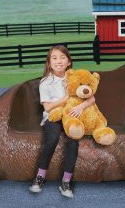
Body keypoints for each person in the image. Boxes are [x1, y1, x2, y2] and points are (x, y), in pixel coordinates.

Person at [29, 45, 95, 198]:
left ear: (69, 62)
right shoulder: (46, 82)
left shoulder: (75, 78)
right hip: (53, 116)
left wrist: (81, 106)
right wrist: (65, 98)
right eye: (54, 58)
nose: (58, 61)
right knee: (52, 138)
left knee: (73, 140)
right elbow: (47, 107)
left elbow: (91, 97)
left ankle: (66, 181)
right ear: (49, 63)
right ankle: (40, 177)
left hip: (71, 116)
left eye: (62, 57)